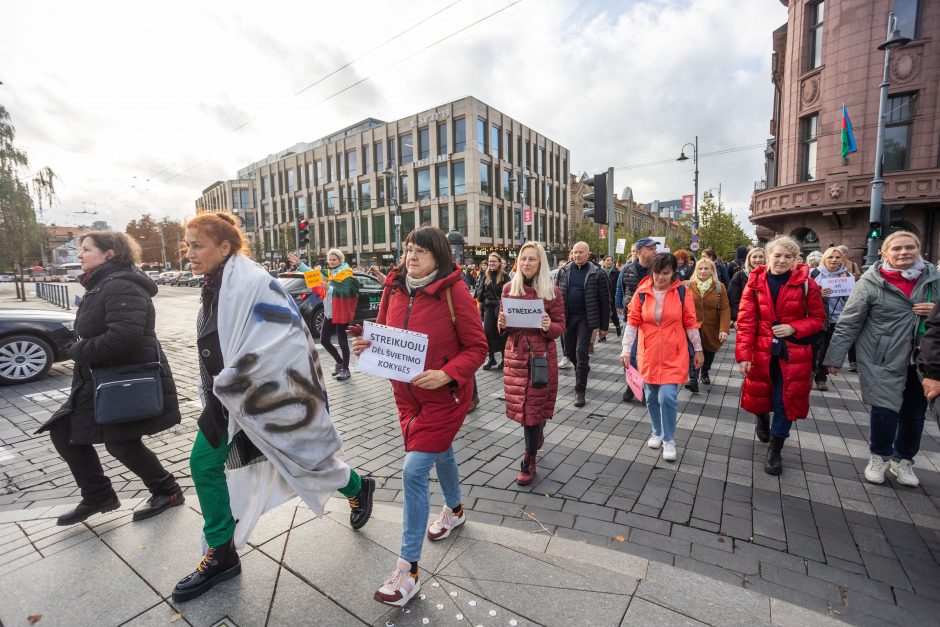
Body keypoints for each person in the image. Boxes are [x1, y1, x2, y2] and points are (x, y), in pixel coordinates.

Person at [173, 212, 374, 602]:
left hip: (257, 394)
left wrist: (238, 380)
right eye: (188, 245)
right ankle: (222, 552)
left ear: (224, 247)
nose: (189, 254)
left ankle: (356, 485)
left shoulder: (252, 282)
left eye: (196, 245)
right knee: (204, 463)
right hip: (228, 397)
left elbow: (288, 338)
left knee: (305, 459)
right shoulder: (216, 283)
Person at [352, 226, 487, 607]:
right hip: (406, 397)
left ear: (438, 256)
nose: (412, 256)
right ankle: (455, 509)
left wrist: (446, 374)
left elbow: (477, 347)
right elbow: (383, 333)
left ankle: (407, 570)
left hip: (445, 397)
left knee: (413, 470)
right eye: (409, 249)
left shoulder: (454, 291)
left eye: (421, 251)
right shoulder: (393, 287)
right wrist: (368, 342)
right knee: (440, 451)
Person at [39, 232, 183, 526]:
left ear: (110, 254)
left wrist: (78, 349)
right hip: (100, 378)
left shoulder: (120, 285)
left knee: (119, 442)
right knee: (66, 431)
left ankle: (165, 490)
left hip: (119, 379)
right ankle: (100, 494)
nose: (79, 255)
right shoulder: (103, 284)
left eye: (86, 249)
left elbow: (124, 336)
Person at [825, 231, 939, 487]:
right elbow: (849, 322)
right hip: (881, 358)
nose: (904, 252)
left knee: (914, 414)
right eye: (896, 248)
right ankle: (879, 457)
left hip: (924, 360)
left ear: (919, 250)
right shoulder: (870, 282)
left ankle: (903, 460)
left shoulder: (934, 279)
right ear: (884, 253)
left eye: (910, 247)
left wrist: (937, 311)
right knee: (884, 411)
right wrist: (835, 357)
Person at [736, 235, 826, 475]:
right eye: (777, 255)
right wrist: (743, 355)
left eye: (788, 256)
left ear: (797, 259)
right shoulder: (754, 282)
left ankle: (775, 449)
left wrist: (795, 327)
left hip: (793, 353)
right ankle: (761, 417)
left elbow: (818, 319)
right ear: (767, 257)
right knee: (760, 395)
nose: (782, 260)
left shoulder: (807, 283)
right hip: (762, 351)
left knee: (785, 400)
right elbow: (746, 322)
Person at [621, 253, 703, 461]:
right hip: (647, 353)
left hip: (674, 354)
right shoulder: (642, 293)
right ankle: (656, 431)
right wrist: (625, 349)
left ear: (673, 272)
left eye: (665, 273)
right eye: (657, 273)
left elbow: (691, 323)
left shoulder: (682, 292)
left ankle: (669, 439)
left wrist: (698, 349)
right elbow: (632, 323)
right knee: (650, 397)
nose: (660, 278)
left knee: (667, 397)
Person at [498, 242, 565, 485]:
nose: (526, 263)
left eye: (532, 260)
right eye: (523, 259)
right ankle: (535, 438)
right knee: (526, 410)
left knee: (534, 410)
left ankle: (529, 458)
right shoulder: (508, 289)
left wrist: (549, 326)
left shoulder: (552, 292)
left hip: (540, 358)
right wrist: (502, 322)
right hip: (515, 357)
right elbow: (502, 327)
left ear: (541, 263)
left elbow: (560, 326)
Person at [555, 241, 610, 407]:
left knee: (581, 352)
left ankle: (580, 390)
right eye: (575, 252)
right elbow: (555, 296)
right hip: (567, 318)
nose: (577, 255)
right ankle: (582, 367)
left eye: (581, 252)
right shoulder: (563, 271)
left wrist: (603, 327)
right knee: (568, 351)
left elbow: (604, 301)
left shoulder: (598, 273)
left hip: (586, 319)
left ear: (588, 254)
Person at [289, 250, 359, 381]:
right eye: (330, 260)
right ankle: (339, 362)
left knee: (342, 341)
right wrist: (299, 263)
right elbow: (312, 273)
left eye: (334, 260)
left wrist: (329, 288)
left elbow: (347, 291)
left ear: (340, 260)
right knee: (324, 340)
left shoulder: (347, 275)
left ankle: (346, 369)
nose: (331, 262)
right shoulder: (329, 273)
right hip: (329, 312)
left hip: (340, 311)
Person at [616, 238, 658, 402]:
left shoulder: (659, 268)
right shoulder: (627, 268)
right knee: (631, 354)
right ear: (639, 251)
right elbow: (620, 288)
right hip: (633, 316)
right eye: (650, 249)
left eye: (655, 248)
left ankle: (644, 386)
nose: (654, 251)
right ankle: (631, 384)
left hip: (653, 319)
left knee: (648, 355)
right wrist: (619, 304)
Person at [810, 247, 855, 391]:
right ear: (824, 259)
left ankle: (821, 377)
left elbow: (852, 299)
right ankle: (809, 374)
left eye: (837, 257)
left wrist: (847, 286)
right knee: (814, 348)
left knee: (827, 349)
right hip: (817, 317)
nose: (834, 260)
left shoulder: (847, 275)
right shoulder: (814, 273)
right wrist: (818, 293)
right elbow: (803, 294)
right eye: (830, 257)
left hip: (836, 318)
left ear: (842, 260)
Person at [685, 257, 730, 391]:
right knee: (692, 352)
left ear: (712, 271)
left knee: (709, 352)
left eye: (706, 268)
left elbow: (724, 309)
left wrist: (724, 329)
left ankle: (705, 372)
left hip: (712, 327)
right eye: (700, 268)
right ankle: (693, 378)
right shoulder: (687, 285)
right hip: (692, 326)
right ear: (696, 270)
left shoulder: (718, 287)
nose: (703, 271)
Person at [477, 252, 510, 369]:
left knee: (501, 334)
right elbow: (480, 295)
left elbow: (509, 295)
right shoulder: (485, 276)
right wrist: (478, 313)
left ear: (499, 263)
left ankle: (504, 358)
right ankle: (491, 358)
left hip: (501, 309)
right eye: (490, 261)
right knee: (487, 333)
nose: (491, 263)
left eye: (494, 261)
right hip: (488, 309)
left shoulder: (505, 276)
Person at [728, 248, 765, 322]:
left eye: (761, 257)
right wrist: (736, 318)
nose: (757, 260)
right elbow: (733, 299)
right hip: (745, 318)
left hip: (765, 318)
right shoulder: (740, 275)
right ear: (749, 259)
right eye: (754, 257)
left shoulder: (771, 275)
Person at [602, 255, 621, 338]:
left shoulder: (616, 272)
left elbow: (618, 286)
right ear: (604, 261)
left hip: (612, 296)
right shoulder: (600, 271)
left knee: (613, 314)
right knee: (603, 315)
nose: (609, 262)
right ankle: (603, 336)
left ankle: (617, 326)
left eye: (611, 260)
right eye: (607, 260)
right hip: (602, 296)